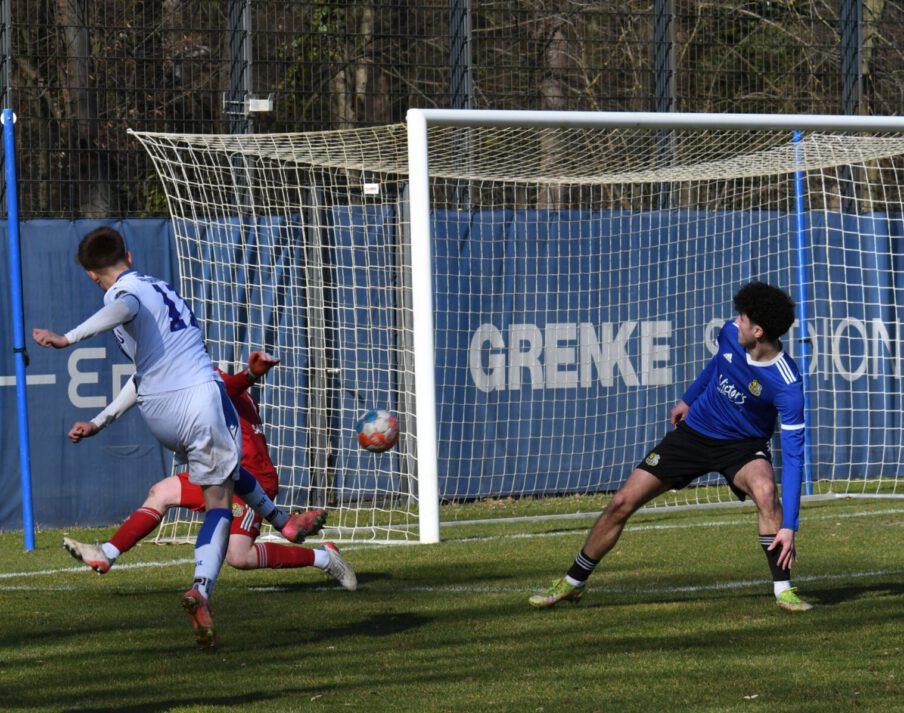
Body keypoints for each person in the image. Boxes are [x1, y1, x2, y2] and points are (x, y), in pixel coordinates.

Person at [32, 226, 316, 649]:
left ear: (91, 275)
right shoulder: (147, 290)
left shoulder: (123, 295)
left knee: (222, 472)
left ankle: (281, 523)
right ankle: (201, 588)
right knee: (219, 501)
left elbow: (142, 373)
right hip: (199, 402)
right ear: (128, 256)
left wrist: (99, 421)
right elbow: (124, 305)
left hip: (159, 413)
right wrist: (69, 338)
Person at [529, 282, 812, 613]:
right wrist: (688, 399)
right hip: (693, 434)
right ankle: (573, 582)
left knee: (766, 491)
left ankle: (783, 589)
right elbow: (718, 364)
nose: (737, 321)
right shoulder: (729, 333)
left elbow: (794, 459)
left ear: (759, 331)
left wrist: (790, 525)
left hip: (743, 446)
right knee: (622, 501)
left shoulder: (787, 385)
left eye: (744, 318)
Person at [61, 351, 357, 594]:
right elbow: (139, 388)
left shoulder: (203, 375)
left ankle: (323, 557)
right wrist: (98, 423)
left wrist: (251, 374)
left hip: (249, 475)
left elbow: (229, 386)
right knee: (161, 492)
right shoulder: (171, 376)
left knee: (239, 557)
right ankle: (107, 553)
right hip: (214, 470)